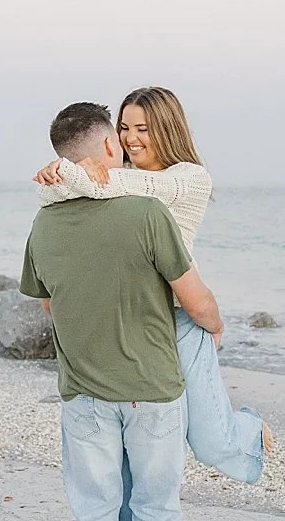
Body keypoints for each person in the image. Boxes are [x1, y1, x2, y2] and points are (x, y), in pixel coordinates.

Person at [20, 101, 221, 521]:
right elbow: (194, 298)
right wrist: (214, 325)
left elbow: (51, 303)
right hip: (150, 391)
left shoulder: (44, 222)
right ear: (109, 148)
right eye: (123, 135)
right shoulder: (145, 213)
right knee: (155, 513)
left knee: (96, 515)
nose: (130, 143)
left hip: (83, 393)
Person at [33, 86, 271, 495]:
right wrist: (58, 175)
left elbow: (121, 189)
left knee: (213, 444)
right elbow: (62, 196)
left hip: (181, 320)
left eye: (143, 128)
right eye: (124, 128)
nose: (130, 138)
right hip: (136, 324)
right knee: (133, 466)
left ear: (167, 128)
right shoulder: (111, 175)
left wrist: (64, 172)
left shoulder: (188, 178)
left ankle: (249, 427)